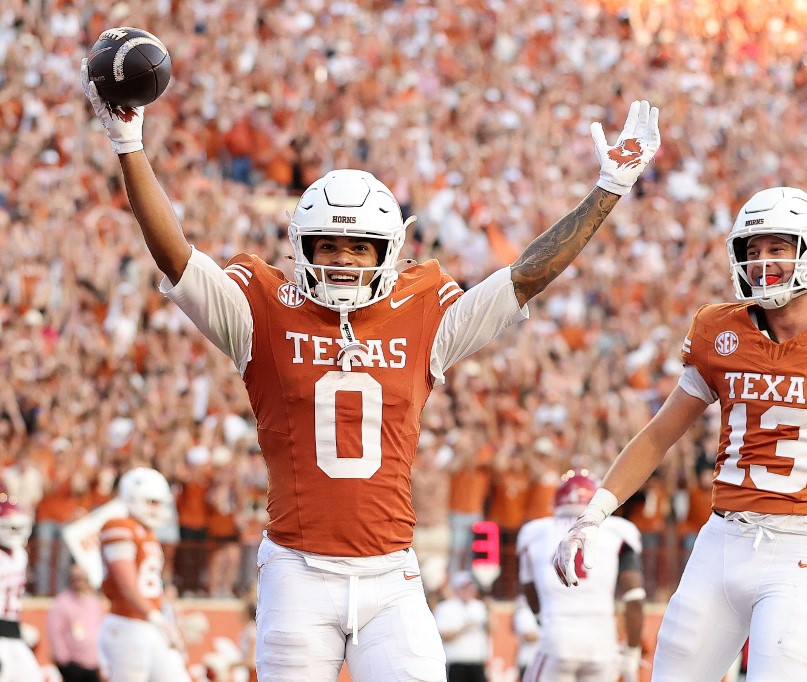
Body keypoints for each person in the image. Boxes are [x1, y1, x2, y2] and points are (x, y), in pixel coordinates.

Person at [82, 60, 660, 682]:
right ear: (301, 248)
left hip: (391, 573)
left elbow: (525, 276)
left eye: (358, 248)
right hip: (298, 572)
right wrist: (128, 143)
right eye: (327, 245)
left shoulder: (423, 314)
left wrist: (608, 188)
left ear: (388, 252)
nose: (342, 260)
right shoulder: (262, 311)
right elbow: (178, 259)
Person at [553, 186, 807, 681]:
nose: (761, 262)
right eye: (752, 250)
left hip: (802, 549)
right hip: (722, 539)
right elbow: (659, 435)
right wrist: (592, 515)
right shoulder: (718, 331)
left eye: (776, 248)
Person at [518, 470, 645, 682]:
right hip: (602, 642)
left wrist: (544, 620)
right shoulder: (618, 530)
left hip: (558, 638)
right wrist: (632, 652)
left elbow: (529, 592)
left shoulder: (535, 532)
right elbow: (635, 597)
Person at [97, 467, 189, 681]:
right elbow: (126, 582)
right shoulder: (119, 526)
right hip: (127, 623)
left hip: (149, 624)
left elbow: (152, 585)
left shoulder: (147, 533)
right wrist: (158, 619)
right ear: (132, 498)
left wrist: (169, 617)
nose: (157, 509)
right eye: (151, 502)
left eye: (159, 503)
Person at [0, 494, 43, 682]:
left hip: (12, 630)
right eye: (10, 527)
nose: (15, 532)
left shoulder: (19, 555)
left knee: (31, 676)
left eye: (19, 527)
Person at [46, 562, 106, 682]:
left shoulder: (93, 602)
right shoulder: (62, 603)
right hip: (73, 664)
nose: (79, 582)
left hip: (93, 663)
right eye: (76, 578)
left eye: (82, 578)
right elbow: (54, 632)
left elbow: (100, 628)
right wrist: (64, 660)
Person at [433, 571, 489, 682]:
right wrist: (464, 628)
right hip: (456, 663)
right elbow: (444, 635)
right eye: (465, 587)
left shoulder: (479, 606)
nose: (469, 591)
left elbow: (492, 630)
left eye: (470, 587)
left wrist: (490, 610)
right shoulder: (445, 607)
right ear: (457, 589)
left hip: (477, 662)